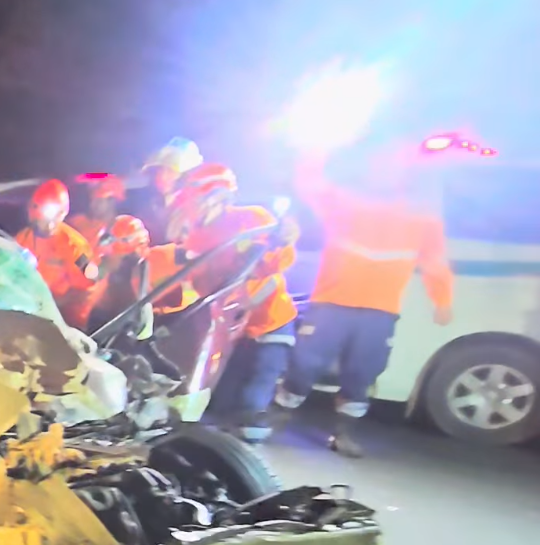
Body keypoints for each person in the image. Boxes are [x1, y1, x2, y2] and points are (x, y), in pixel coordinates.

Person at [273, 145, 455, 458]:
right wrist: (315, 148)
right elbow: (310, 185)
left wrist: (442, 299)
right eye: (379, 165)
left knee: (362, 373)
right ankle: (279, 415)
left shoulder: (421, 216)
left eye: (392, 166)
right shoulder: (344, 200)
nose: (384, 171)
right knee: (304, 363)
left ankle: (343, 434)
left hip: (379, 310)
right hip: (331, 302)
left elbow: (435, 260)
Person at [164, 166, 299, 442]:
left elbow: (275, 263)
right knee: (218, 403)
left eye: (192, 199)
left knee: (252, 402)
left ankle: (251, 442)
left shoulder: (251, 219)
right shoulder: (197, 235)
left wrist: (282, 241)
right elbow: (200, 282)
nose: (188, 208)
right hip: (228, 330)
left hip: (269, 323)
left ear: (215, 196)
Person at [14, 179, 97, 328]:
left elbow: (86, 290)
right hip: (31, 314)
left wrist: (53, 304)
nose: (47, 225)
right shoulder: (22, 239)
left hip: (65, 322)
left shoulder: (75, 247)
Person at [120, 137, 204, 242]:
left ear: (185, 175)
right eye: (159, 170)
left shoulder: (200, 208)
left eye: (171, 171)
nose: (162, 177)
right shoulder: (137, 202)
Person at [68, 174, 125, 246]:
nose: (93, 204)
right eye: (92, 199)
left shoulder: (125, 230)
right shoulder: (77, 224)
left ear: (112, 202)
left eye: (99, 200)